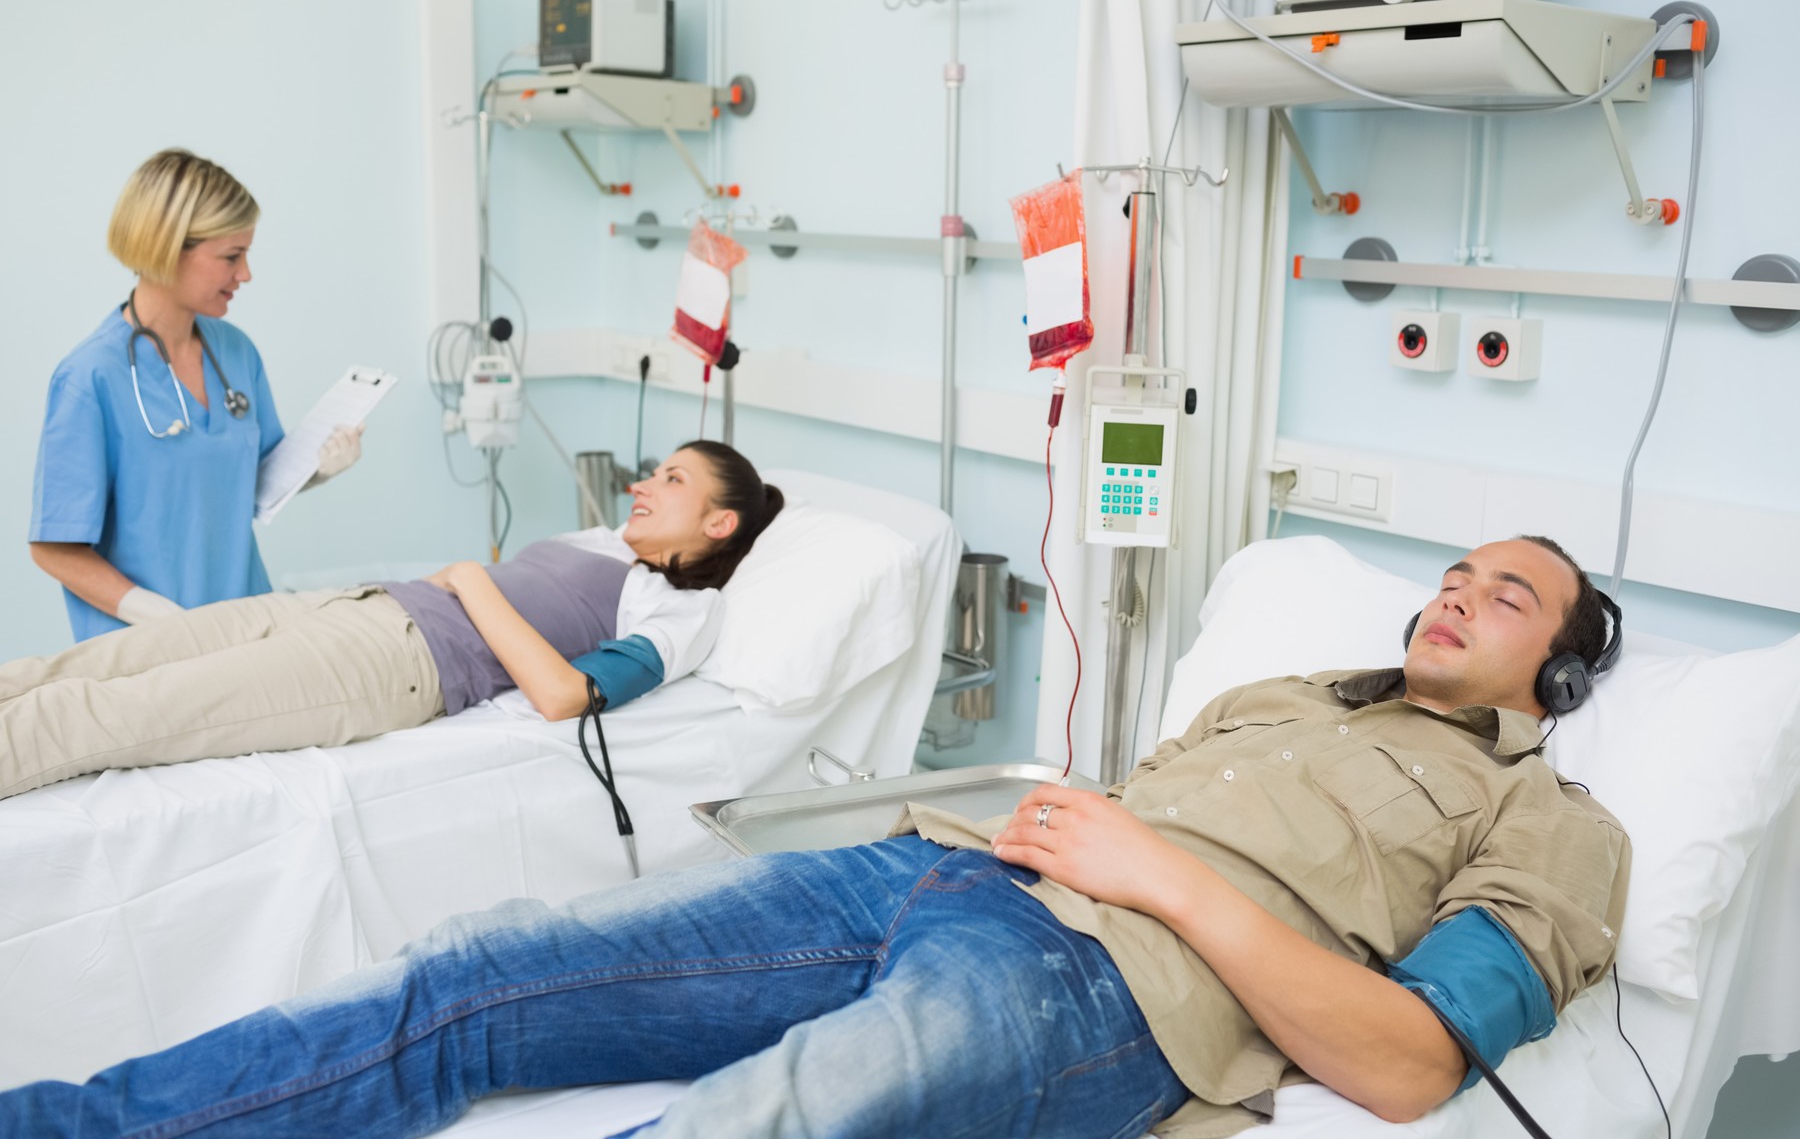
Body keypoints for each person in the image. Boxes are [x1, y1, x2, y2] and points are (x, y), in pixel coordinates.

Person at [0, 535, 1629, 1139]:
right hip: (939, 866)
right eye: (1451, 573)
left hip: (1114, 993)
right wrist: (1085, 833)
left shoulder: (1549, 819)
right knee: (473, 974)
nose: (1454, 596)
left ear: (1554, 670)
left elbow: (1413, 1068)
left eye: (1506, 595)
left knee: (761, 1116)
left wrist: (1160, 880)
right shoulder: (1283, 693)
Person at [0, 440, 783, 801]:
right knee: (79, 669)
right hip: (359, 607)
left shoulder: (681, 609)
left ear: (719, 524)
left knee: (103, 714)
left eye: (672, 478)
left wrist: (473, 582)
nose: (645, 483)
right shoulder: (604, 540)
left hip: (394, 665)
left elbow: (563, 695)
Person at [29, 148, 367, 642]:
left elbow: (249, 482)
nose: (245, 274)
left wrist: (317, 468)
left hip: (247, 632)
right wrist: (161, 618)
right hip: (142, 651)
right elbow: (55, 548)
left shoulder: (236, 353)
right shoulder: (89, 378)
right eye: (232, 256)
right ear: (168, 248)